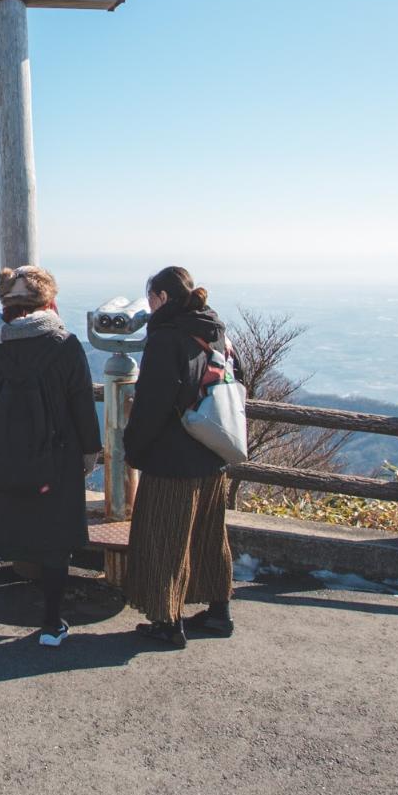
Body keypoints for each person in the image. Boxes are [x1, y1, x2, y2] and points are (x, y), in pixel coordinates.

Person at [0, 263, 102, 646]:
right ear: (47, 300)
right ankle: (50, 624)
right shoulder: (63, 345)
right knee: (53, 540)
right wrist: (89, 453)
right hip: (54, 460)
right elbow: (81, 404)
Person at [121, 265, 235, 647]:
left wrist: (133, 448)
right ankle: (219, 613)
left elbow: (153, 401)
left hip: (174, 457)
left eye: (151, 298)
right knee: (208, 536)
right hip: (213, 449)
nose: (149, 306)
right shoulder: (214, 330)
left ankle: (168, 622)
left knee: (164, 538)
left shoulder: (166, 337)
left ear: (163, 298)